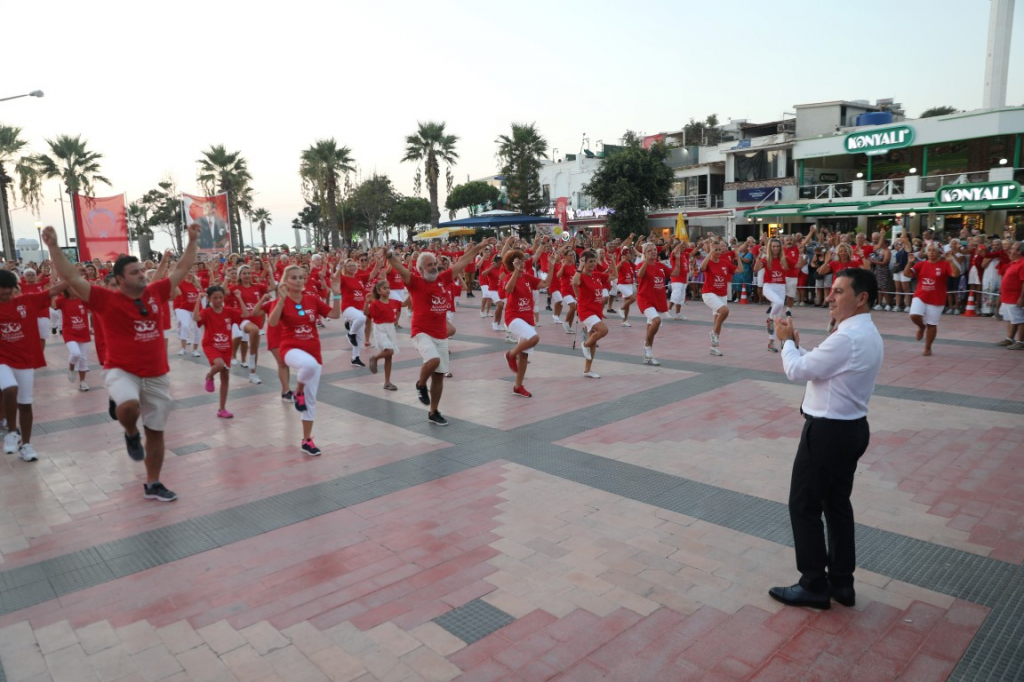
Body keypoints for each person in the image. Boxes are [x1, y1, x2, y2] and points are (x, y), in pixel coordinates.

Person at [42, 223, 201, 502]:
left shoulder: (156, 291)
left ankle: (153, 483)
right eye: (135, 272)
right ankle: (130, 432)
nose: (142, 275)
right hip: (121, 370)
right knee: (128, 406)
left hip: (157, 374)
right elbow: (71, 276)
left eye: (142, 271)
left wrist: (192, 240)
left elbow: (182, 268)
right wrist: (54, 247)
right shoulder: (104, 299)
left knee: (156, 432)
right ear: (121, 278)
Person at [769, 267, 883, 610]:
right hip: (851, 428)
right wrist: (797, 346)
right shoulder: (865, 332)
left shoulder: (847, 337)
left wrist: (787, 342)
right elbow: (821, 366)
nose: (830, 297)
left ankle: (813, 583)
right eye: (832, 290)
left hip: (829, 432)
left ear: (861, 298)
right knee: (836, 505)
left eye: (839, 291)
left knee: (804, 505)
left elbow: (796, 370)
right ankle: (842, 583)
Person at [387, 238, 495, 426]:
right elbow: (400, 268)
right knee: (433, 360)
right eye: (429, 265)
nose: (433, 267)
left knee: (438, 375)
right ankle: (421, 384)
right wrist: (389, 256)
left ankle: (434, 411)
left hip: (441, 333)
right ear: (421, 269)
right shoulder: (415, 282)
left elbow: (463, 261)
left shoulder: (443, 279)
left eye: (434, 264)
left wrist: (479, 246)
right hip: (421, 331)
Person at [268, 264, 342, 455]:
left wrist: (336, 294)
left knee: (311, 400)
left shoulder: (312, 299)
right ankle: (298, 391)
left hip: (314, 351)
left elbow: (335, 315)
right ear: (285, 281)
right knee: (307, 365)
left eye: (301, 277)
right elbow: (273, 322)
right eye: (293, 277)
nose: (298, 280)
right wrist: (281, 301)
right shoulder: (281, 300)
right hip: (290, 349)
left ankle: (307, 441)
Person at [0, 270, 67, 462]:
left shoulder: (27, 301)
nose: (6, 292)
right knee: (10, 389)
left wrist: (71, 276)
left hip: (24, 360)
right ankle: (12, 432)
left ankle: (27, 445)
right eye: (2, 288)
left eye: (9, 288)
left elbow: (53, 290)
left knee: (25, 404)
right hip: (2, 359)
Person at [502, 244, 556, 396]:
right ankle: (510, 354)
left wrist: (551, 266)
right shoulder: (508, 277)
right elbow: (508, 289)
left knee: (524, 355)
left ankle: (518, 386)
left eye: (522, 259)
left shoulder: (527, 278)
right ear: (512, 263)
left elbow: (545, 284)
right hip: (513, 317)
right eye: (518, 260)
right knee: (534, 338)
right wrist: (516, 271)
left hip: (528, 318)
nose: (522, 262)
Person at [903, 235, 961, 357]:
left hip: (937, 298)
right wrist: (909, 262)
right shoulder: (921, 264)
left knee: (932, 324)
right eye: (929, 250)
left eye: (934, 250)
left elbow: (956, 274)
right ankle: (921, 327)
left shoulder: (945, 264)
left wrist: (951, 260)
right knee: (914, 315)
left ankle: (928, 347)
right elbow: (907, 274)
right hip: (920, 295)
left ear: (940, 252)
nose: (931, 252)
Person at [194, 286, 235, 418]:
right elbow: (196, 318)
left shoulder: (229, 311)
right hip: (211, 345)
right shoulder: (206, 312)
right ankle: (210, 376)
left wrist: (239, 298)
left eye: (220, 297)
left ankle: (222, 409)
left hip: (226, 347)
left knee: (225, 377)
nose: (218, 300)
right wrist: (198, 300)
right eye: (214, 298)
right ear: (209, 298)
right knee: (219, 365)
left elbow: (245, 315)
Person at [635, 242, 677, 366]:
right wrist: (646, 261)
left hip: (656, 299)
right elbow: (640, 275)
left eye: (654, 250)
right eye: (649, 250)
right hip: (645, 299)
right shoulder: (640, 265)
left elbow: (675, 273)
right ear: (645, 253)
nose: (653, 252)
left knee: (651, 326)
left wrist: (678, 259)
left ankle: (648, 355)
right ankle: (646, 346)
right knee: (657, 320)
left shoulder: (660, 265)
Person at [699, 239, 740, 356]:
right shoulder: (708, 262)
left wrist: (738, 256)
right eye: (714, 250)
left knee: (717, 320)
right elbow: (702, 268)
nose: (717, 252)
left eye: (718, 249)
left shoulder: (724, 262)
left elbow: (739, 270)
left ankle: (714, 347)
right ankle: (713, 333)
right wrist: (709, 253)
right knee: (724, 311)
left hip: (722, 294)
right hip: (709, 293)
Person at [573, 249, 609, 378]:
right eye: (590, 261)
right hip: (586, 311)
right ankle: (585, 344)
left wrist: (614, 262)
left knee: (593, 340)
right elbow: (575, 283)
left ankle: (587, 370)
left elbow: (613, 276)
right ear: (584, 262)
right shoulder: (581, 275)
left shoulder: (596, 275)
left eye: (594, 261)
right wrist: (580, 266)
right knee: (603, 330)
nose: (593, 264)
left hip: (596, 310)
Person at [53, 289, 92, 392]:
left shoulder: (83, 299)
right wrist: (52, 293)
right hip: (69, 332)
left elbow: (93, 308)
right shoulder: (62, 300)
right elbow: (52, 306)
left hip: (83, 332)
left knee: (83, 358)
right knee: (75, 353)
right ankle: (71, 367)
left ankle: (83, 382)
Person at [754, 238, 789, 353]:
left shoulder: (783, 259)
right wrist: (760, 255)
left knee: (777, 317)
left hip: (781, 287)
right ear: (770, 247)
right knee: (779, 303)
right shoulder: (766, 259)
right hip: (769, 287)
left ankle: (771, 343)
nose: (775, 248)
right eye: (773, 246)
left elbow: (796, 265)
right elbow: (756, 269)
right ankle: (769, 319)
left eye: (777, 246)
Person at [365, 279, 399, 390]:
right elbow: (367, 313)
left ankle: (387, 382)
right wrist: (367, 302)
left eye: (388, 288)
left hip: (390, 328)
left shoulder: (393, 302)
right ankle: (374, 358)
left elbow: (403, 304)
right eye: (385, 288)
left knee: (389, 357)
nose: (388, 290)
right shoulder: (375, 304)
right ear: (379, 291)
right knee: (389, 351)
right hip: (380, 328)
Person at [996, 241, 1024, 350]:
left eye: (1012, 248)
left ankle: (1020, 341)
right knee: (1011, 319)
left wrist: (1021, 298)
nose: (1010, 250)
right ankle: (1009, 338)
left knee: (1020, 320)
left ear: (1019, 251)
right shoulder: (1014, 263)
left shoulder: (1022, 264)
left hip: (1014, 297)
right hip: (1008, 297)